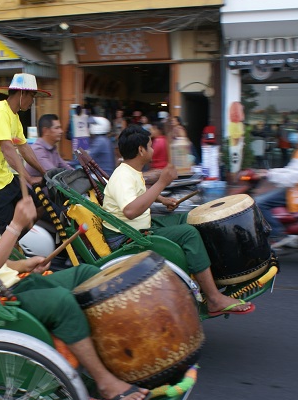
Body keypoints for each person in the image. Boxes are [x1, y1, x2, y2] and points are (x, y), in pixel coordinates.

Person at [0, 150, 151, 400]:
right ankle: (104, 380)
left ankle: (117, 356)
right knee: (61, 302)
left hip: (18, 284)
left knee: (89, 274)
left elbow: (2, 263)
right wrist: (15, 226)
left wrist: (25, 263)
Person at [102, 126, 255, 317]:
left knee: (190, 218)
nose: (153, 150)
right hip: (129, 237)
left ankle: (207, 277)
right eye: (150, 146)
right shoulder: (123, 177)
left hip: (136, 227)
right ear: (141, 150)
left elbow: (138, 193)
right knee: (189, 233)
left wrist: (163, 199)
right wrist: (161, 183)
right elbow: (131, 210)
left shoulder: (130, 170)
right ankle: (214, 299)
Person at [0, 73, 47, 233]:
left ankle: (14, 245)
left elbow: (24, 148)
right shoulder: (0, 110)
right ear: (22, 93)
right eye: (32, 96)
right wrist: (29, 178)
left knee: (39, 206)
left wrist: (44, 172)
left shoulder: (14, 117)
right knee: (5, 230)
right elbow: (7, 148)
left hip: (5, 178)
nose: (33, 101)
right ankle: (6, 251)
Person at [254, 121, 298, 249]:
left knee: (259, 203)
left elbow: (292, 177)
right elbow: (290, 170)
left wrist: (269, 175)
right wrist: (269, 172)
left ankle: (279, 234)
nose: (296, 135)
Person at [25, 113, 70, 178]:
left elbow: (66, 168)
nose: (61, 131)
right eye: (57, 128)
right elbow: (54, 174)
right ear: (45, 131)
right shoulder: (37, 150)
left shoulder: (52, 149)